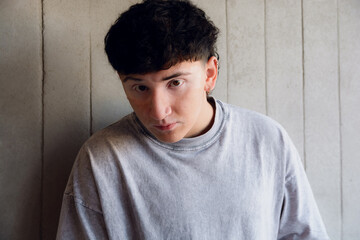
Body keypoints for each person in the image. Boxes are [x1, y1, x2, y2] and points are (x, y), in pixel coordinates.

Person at [56, 0, 330, 239]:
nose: (159, 111)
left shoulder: (267, 139)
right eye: (140, 88)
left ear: (210, 74)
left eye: (175, 82)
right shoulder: (102, 158)